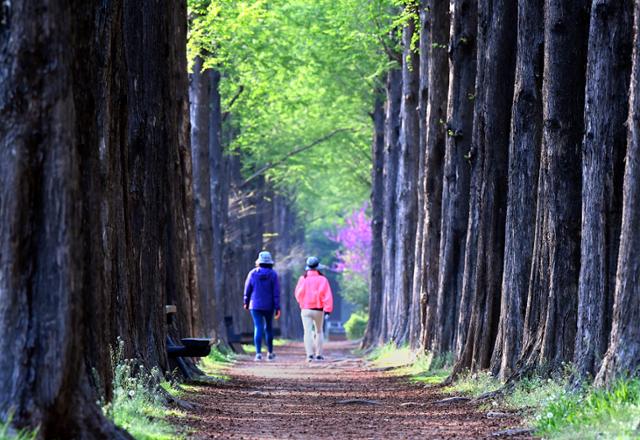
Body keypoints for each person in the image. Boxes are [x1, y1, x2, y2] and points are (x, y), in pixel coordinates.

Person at [294, 256, 334, 362]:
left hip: (306, 309)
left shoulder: (303, 279)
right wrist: (328, 309)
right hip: (318, 309)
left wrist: (302, 303)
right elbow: (327, 296)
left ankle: (309, 355)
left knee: (307, 332)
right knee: (319, 331)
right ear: (317, 267)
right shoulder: (323, 280)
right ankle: (319, 354)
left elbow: (298, 294)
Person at [244, 251, 281, 361]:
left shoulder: (252, 273)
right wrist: (277, 307)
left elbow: (247, 289)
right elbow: (276, 292)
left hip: (255, 305)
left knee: (258, 327)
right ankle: (270, 353)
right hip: (269, 306)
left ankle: (258, 353)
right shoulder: (273, 274)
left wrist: (246, 301)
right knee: (268, 328)